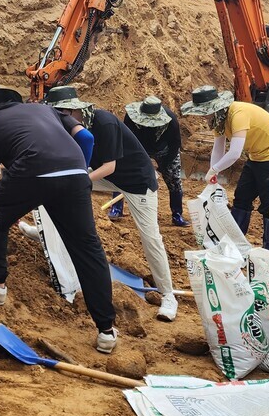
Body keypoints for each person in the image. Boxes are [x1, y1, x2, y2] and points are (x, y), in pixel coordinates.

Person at [0, 84, 120, 354]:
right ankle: (106, 331)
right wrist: (79, 173)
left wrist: (4, 209)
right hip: (74, 174)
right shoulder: (46, 110)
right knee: (87, 248)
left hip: (31, 171)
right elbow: (86, 138)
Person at [44, 87, 179, 322]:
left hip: (137, 182)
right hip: (110, 177)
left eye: (60, 115)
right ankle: (47, 231)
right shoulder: (71, 127)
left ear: (71, 110)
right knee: (60, 183)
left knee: (150, 237)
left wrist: (81, 180)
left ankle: (168, 296)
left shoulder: (103, 122)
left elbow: (109, 166)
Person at [179, 86, 269, 251]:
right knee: (241, 198)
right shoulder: (219, 120)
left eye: (206, 113)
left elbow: (234, 153)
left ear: (215, 108)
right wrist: (214, 171)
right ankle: (235, 244)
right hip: (255, 156)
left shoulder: (238, 115)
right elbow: (218, 148)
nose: (204, 117)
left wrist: (214, 169)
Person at [119, 96, 190, 227]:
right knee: (122, 173)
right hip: (138, 149)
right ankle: (117, 209)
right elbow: (126, 140)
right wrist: (141, 161)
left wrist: (162, 166)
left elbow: (175, 145)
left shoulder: (171, 120)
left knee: (174, 180)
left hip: (164, 151)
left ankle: (177, 215)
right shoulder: (131, 117)